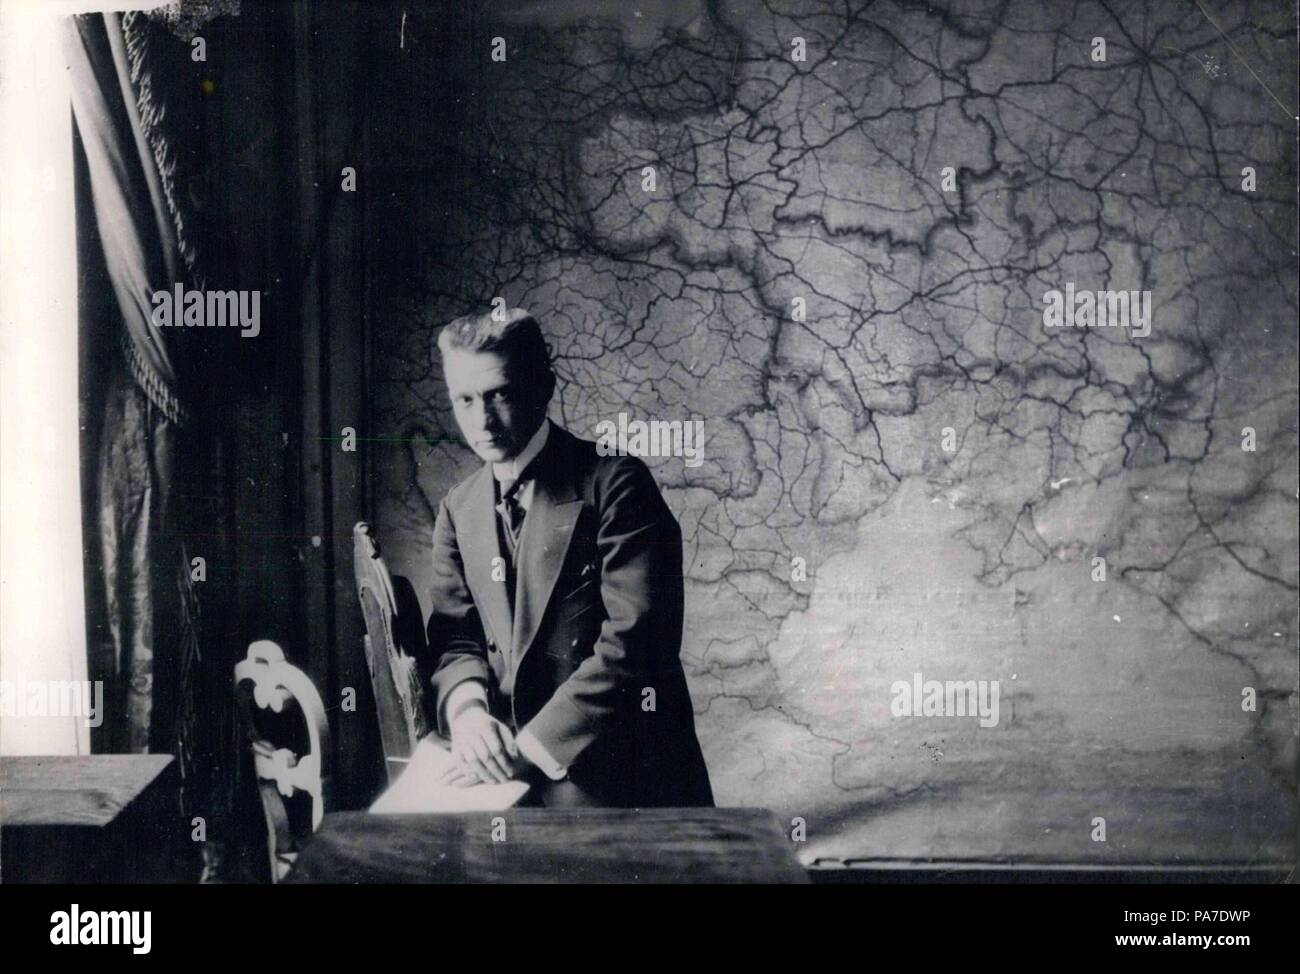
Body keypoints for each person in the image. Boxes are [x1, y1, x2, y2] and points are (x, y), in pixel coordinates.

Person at [425, 306, 714, 807]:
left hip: (617, 764)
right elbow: (456, 638)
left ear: (544, 385)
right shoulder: (459, 507)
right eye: (465, 400)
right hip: (501, 768)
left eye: (500, 395)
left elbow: (639, 639)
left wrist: (531, 747)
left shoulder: (616, 483)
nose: (482, 421)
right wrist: (469, 714)